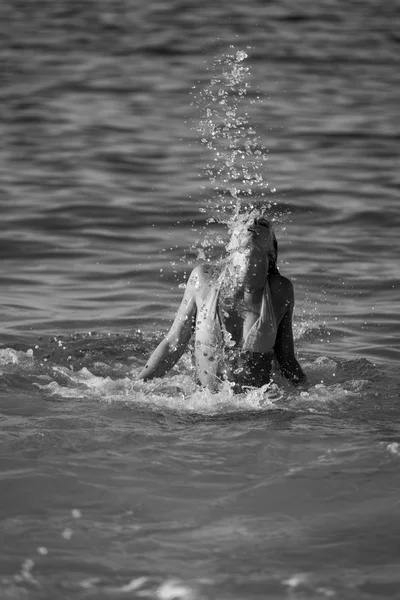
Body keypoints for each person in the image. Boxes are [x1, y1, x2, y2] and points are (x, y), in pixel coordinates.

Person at [137, 210, 306, 392]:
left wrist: (310, 394)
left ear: (272, 253)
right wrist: (136, 386)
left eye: (262, 225)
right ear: (231, 245)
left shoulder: (280, 291)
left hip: (257, 410)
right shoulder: (203, 279)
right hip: (205, 405)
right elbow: (173, 344)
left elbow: (286, 358)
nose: (253, 222)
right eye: (243, 224)